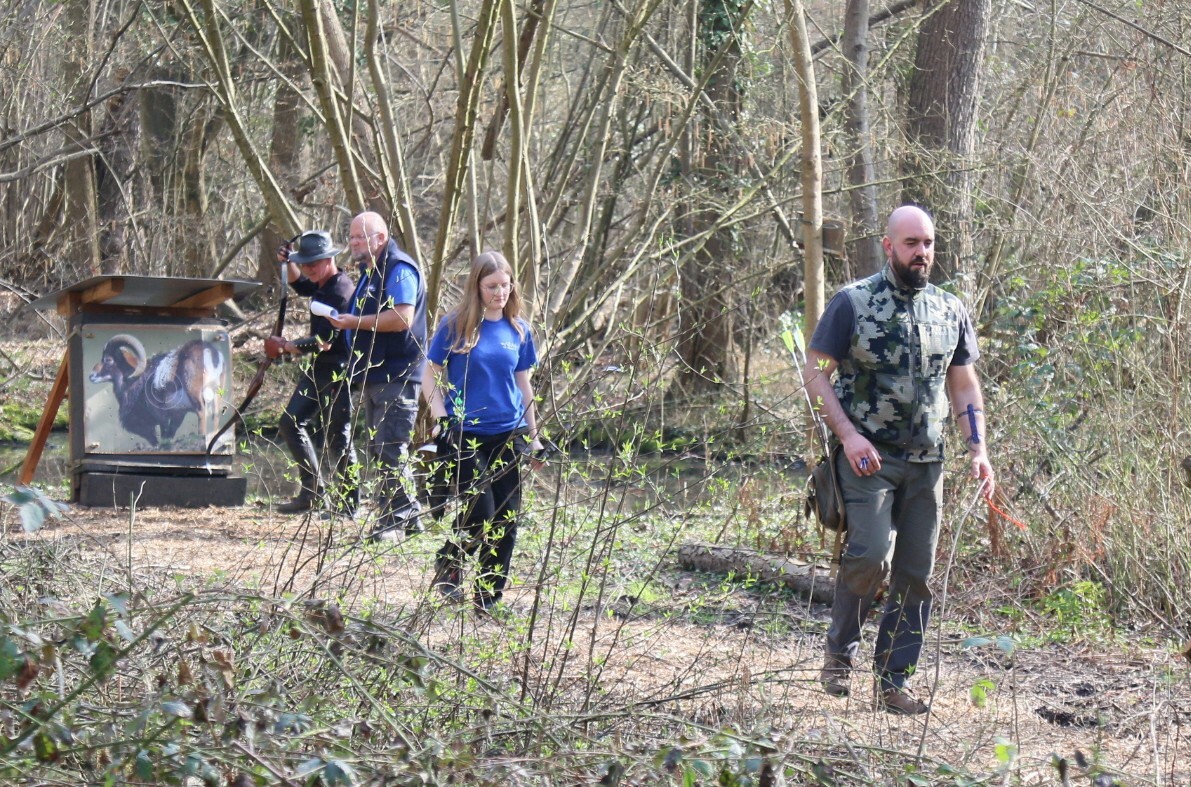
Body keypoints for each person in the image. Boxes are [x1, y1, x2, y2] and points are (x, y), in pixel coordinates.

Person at [801, 204, 995, 715]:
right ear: (889, 246)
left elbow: (963, 384)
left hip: (927, 463)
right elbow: (815, 372)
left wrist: (978, 449)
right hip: (867, 459)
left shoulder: (949, 309)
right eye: (911, 243)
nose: (921, 252)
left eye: (927, 243)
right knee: (869, 557)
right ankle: (839, 655)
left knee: (915, 573)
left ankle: (892, 682)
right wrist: (848, 437)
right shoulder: (853, 303)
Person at [423, 251, 544, 614]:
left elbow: (523, 384)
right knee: (480, 512)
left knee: (506, 519)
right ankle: (450, 561)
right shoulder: (456, 325)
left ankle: (487, 598)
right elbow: (429, 373)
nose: (500, 293)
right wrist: (441, 417)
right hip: (465, 433)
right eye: (492, 286)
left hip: (508, 433)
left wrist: (535, 436)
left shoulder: (519, 330)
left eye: (506, 285)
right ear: (476, 286)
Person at [328, 212, 427, 539]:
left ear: (380, 238)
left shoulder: (399, 269)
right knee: (380, 447)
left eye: (360, 237)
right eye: (352, 237)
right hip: (375, 374)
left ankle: (394, 521)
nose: (354, 243)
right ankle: (409, 516)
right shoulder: (371, 271)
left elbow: (402, 317)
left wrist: (354, 322)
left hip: (398, 374)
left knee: (391, 447)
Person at [268, 230, 358, 515]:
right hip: (320, 368)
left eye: (313, 264)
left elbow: (325, 340)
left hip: (339, 371)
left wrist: (287, 347)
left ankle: (349, 503)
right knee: (290, 422)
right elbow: (302, 286)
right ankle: (312, 494)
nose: (308, 269)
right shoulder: (322, 282)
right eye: (304, 264)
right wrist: (288, 264)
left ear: (329, 259)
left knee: (338, 435)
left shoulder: (340, 291)